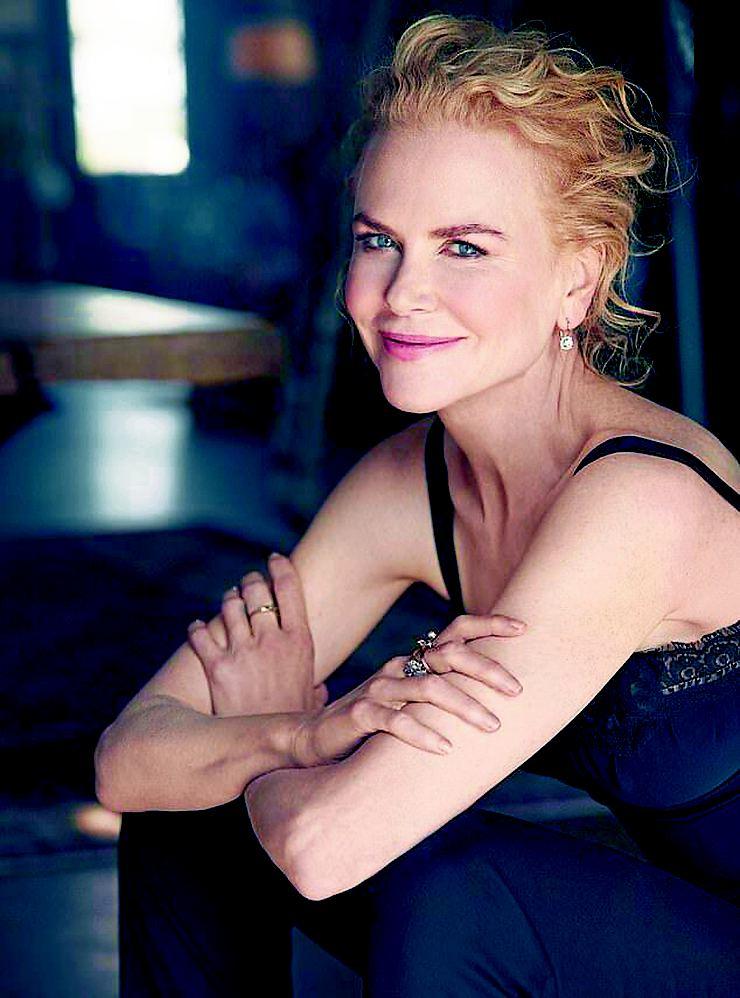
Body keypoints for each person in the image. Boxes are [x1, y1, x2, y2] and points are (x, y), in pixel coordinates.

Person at [95, 14, 740, 996]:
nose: (403, 293)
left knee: (451, 889)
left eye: (464, 247)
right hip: (676, 923)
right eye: (379, 241)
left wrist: (266, 730)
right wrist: (291, 734)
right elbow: (127, 759)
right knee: (193, 804)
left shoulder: (641, 502)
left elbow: (323, 844)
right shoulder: (405, 482)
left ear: (576, 279)